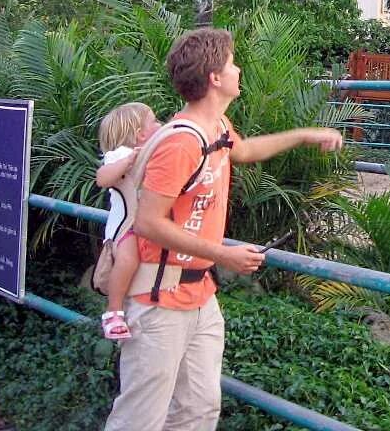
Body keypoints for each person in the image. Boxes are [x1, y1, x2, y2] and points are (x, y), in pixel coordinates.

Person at [104, 28, 343, 431]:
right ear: (215, 77)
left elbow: (245, 151)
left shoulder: (217, 127)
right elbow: (149, 222)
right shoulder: (181, 143)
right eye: (232, 63)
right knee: (140, 420)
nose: (239, 69)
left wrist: (304, 135)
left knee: (197, 413)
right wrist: (224, 254)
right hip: (160, 299)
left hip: (200, 297)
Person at [95, 101, 161, 340]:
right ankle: (113, 311)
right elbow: (102, 178)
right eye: (154, 121)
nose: (159, 124)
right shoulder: (121, 154)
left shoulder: (154, 151)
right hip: (126, 227)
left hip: (147, 224)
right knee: (128, 257)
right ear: (139, 134)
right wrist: (127, 162)